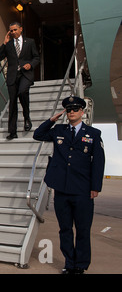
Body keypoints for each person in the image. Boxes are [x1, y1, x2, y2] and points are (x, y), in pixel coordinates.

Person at [33, 96, 105, 274]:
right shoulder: (58, 130)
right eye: (69, 110)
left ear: (82, 112)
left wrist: (95, 187)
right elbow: (38, 135)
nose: (72, 112)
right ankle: (69, 263)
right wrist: (51, 120)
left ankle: (80, 266)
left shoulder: (93, 134)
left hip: (83, 190)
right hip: (62, 189)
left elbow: (98, 163)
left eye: (75, 109)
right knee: (65, 229)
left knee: (82, 229)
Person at [0, 22, 40, 140]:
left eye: (15, 30)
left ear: (21, 29)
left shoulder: (30, 42)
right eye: (11, 30)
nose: (13, 32)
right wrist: (4, 44)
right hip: (12, 76)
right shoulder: (9, 44)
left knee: (22, 92)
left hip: (25, 74)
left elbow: (36, 57)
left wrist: (30, 65)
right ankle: (12, 132)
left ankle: (26, 117)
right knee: (13, 103)